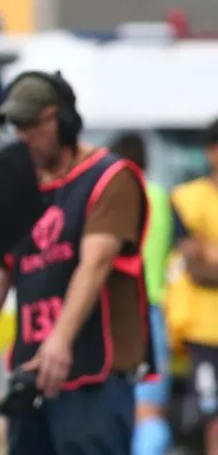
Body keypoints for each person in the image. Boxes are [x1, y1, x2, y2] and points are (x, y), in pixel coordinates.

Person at [0, 71, 153, 455]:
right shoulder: (21, 191)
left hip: (93, 381)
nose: (22, 137)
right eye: (16, 127)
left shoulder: (110, 178)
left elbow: (96, 264)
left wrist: (60, 340)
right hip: (31, 381)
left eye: (32, 125)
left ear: (63, 121)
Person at [110, 132, 175, 455]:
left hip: (119, 312)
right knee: (151, 409)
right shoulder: (161, 197)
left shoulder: (115, 198)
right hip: (154, 311)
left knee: (116, 407)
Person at [167, 117, 218, 455]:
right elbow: (198, 267)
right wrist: (203, 255)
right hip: (203, 328)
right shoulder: (188, 198)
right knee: (212, 413)